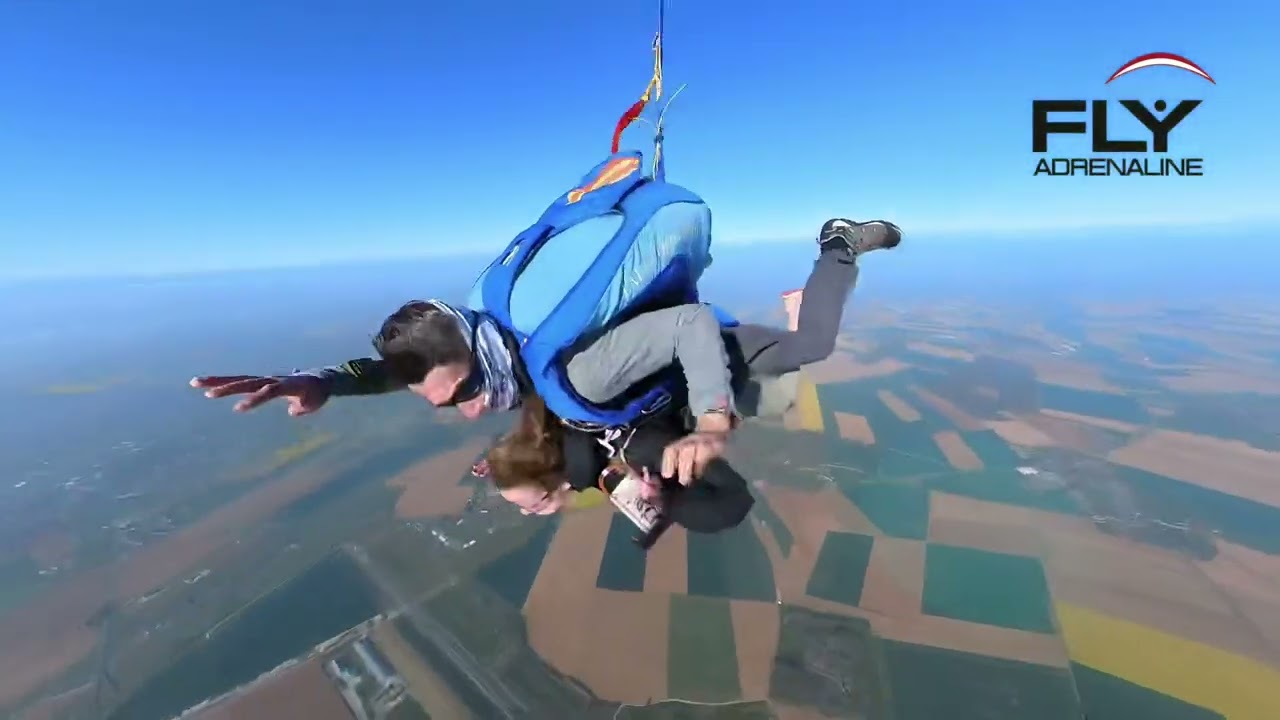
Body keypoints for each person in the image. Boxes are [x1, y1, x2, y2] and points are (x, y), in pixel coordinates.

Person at [191, 218, 901, 482]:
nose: (471, 411)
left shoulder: (569, 368)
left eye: (468, 394)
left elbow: (689, 326)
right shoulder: (477, 339)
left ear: (480, 360)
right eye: (451, 404)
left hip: (687, 350)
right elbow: (409, 374)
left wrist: (714, 419)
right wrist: (323, 381)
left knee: (810, 346)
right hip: (653, 371)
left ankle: (836, 245)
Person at [479, 221, 899, 529]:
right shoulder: (556, 421)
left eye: (533, 504)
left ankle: (838, 243)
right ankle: (796, 313)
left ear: (553, 478)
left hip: (708, 358)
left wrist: (669, 499)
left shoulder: (625, 455)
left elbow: (731, 503)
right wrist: (501, 461)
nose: (527, 512)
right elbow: (537, 425)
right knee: (780, 396)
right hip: (688, 380)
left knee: (811, 346)